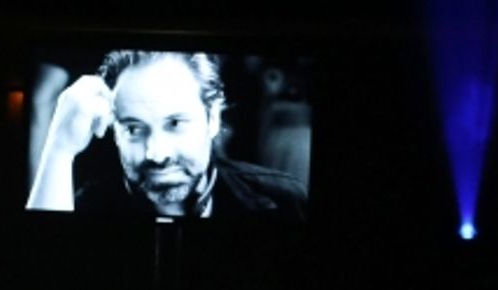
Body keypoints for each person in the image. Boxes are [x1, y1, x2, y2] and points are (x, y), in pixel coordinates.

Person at [27, 50, 307, 218]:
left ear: (213, 119)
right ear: (114, 132)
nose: (156, 153)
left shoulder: (285, 201)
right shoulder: (85, 207)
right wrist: (60, 150)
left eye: (175, 123)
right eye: (134, 129)